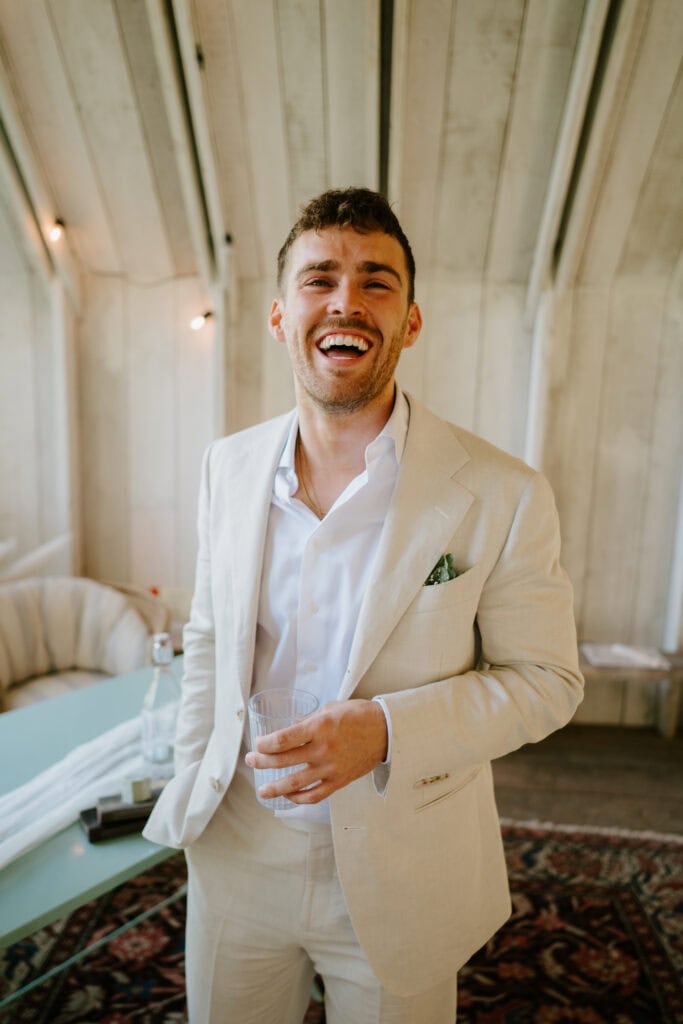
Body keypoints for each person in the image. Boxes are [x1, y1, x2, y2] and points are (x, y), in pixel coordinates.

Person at [144, 187, 583, 1023]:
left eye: (375, 281)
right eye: (319, 279)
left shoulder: (504, 492)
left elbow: (547, 681)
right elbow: (208, 638)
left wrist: (384, 731)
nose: (346, 299)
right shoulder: (225, 468)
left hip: (402, 863)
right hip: (236, 852)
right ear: (280, 317)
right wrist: (189, 777)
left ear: (409, 321)